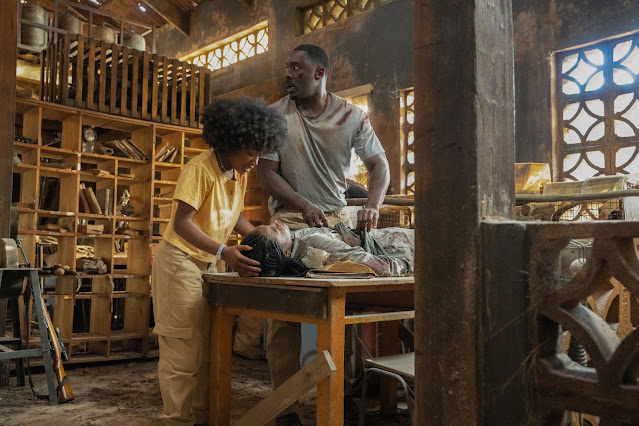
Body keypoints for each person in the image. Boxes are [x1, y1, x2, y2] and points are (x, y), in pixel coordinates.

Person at [255, 44, 391, 425]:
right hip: (289, 222)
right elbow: (265, 174)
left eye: (297, 68)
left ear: (320, 74)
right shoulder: (276, 116)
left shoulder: (352, 115)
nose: (288, 74)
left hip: (337, 221)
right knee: (282, 309)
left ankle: (341, 393)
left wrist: (373, 205)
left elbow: (380, 165)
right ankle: (286, 407)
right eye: (287, 68)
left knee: (341, 306)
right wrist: (302, 204)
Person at [151, 97, 286, 425]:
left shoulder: (236, 173)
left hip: (208, 264)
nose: (254, 162)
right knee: (182, 350)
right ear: (230, 142)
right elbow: (181, 223)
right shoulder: (200, 169)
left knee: (210, 349)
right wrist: (224, 251)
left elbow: (234, 216)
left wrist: (263, 238)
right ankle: (176, 420)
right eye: (251, 153)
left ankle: (203, 416)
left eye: (258, 153)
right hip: (179, 261)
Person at [242, 220, 414, 278]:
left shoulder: (294, 244)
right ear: (285, 253)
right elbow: (370, 263)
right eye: (274, 229)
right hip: (402, 248)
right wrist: (410, 267)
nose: (276, 222)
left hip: (395, 242)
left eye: (269, 223)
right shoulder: (314, 247)